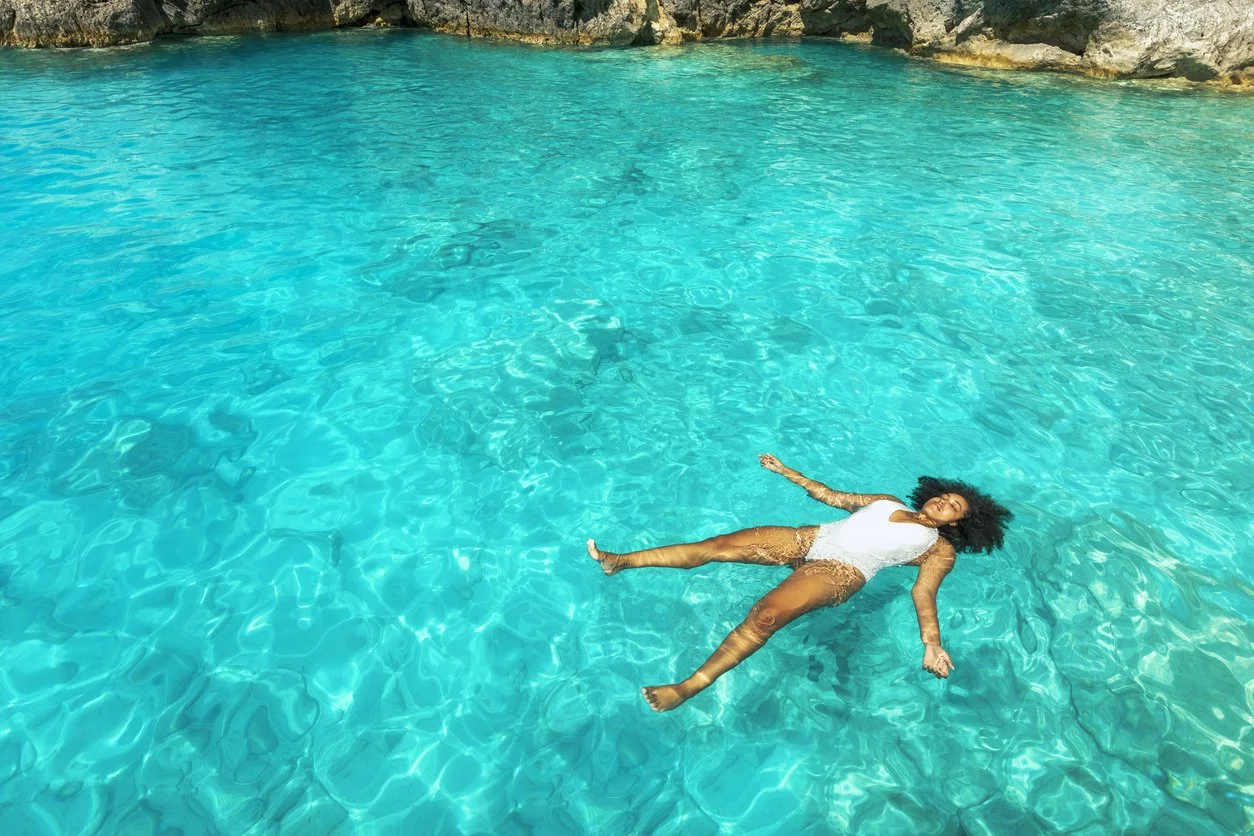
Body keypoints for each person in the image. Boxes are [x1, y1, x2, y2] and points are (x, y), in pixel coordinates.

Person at [586, 453, 1013, 712]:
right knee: (716, 545)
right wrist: (786, 471)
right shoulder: (886, 500)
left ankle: (688, 687)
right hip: (809, 538)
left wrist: (931, 643)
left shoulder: (938, 549)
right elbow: (831, 496)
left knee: (766, 615)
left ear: (960, 522)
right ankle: (620, 561)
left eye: (953, 506)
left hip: (840, 573)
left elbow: (923, 593)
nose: (943, 502)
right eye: (944, 495)